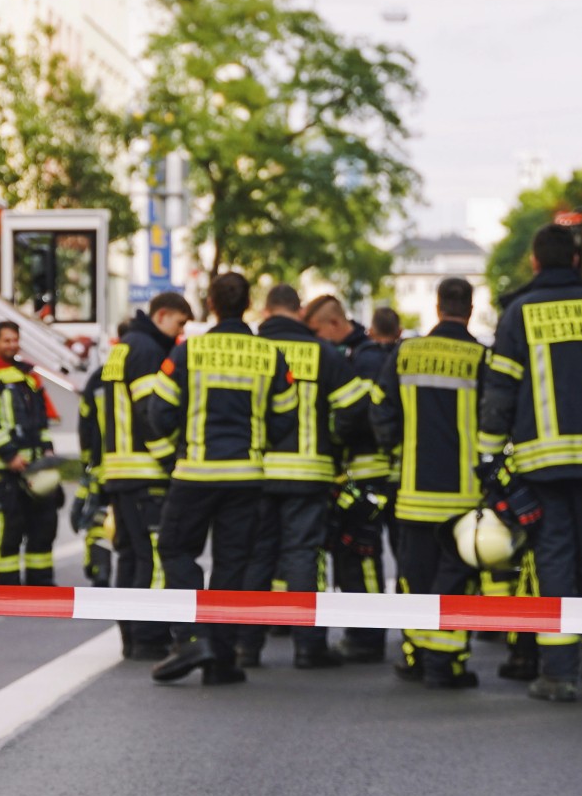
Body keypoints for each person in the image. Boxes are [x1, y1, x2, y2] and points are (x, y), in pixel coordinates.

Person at [477, 224, 582, 702]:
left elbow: (500, 393)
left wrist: (489, 456)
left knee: (555, 563)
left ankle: (559, 675)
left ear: (535, 262)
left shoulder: (519, 314)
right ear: (577, 260)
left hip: (542, 467)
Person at [142, 271, 275, 684]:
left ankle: (191, 637)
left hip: (195, 475)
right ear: (247, 303)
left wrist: (181, 445)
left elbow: (159, 413)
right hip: (247, 477)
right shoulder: (269, 354)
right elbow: (285, 417)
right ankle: (222, 660)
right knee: (232, 565)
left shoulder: (188, 351)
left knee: (176, 549)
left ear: (212, 305)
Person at [374, 278, 487, 687]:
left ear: (438, 308)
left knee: (415, 577)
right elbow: (496, 418)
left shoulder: (405, 353)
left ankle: (418, 657)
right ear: (469, 310)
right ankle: (445, 663)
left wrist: (396, 450)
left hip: (413, 493)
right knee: (455, 580)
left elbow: (381, 409)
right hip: (463, 498)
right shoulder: (482, 357)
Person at [79, 290, 191, 659]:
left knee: (129, 555)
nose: (179, 333)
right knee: (152, 556)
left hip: (120, 471)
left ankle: (131, 634)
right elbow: (150, 413)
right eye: (179, 323)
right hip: (145, 471)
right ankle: (149, 636)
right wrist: (170, 460)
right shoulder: (146, 351)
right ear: (162, 315)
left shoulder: (124, 348)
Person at [255, 284, 351, 669]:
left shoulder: (253, 350)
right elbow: (354, 407)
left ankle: (245, 647)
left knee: (258, 554)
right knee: (303, 556)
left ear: (266, 312)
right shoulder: (323, 352)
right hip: (310, 472)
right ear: (298, 312)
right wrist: (334, 443)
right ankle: (309, 647)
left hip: (258, 472)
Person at [314, 296, 396, 660]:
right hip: (359, 472)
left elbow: (362, 416)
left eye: (317, 331)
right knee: (352, 552)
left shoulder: (366, 359)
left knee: (361, 553)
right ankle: (361, 632)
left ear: (334, 324)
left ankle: (367, 637)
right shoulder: (354, 354)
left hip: (369, 471)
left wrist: (332, 435)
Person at [0, 320, 61, 585]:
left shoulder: (28, 376)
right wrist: (10, 455)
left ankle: (40, 586)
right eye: (6, 340)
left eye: (15, 340)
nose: (12, 345)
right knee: (9, 530)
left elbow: (40, 421)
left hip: (35, 467)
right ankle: (7, 589)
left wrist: (47, 452)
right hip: (3, 469)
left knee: (43, 527)